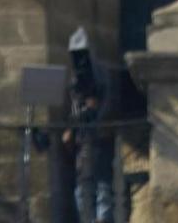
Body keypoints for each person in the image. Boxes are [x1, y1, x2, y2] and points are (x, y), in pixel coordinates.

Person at [60, 27, 116, 223]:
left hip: (99, 135)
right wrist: (71, 129)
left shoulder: (99, 75)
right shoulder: (77, 76)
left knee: (101, 185)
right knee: (83, 184)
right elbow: (76, 106)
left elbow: (100, 105)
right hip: (83, 137)